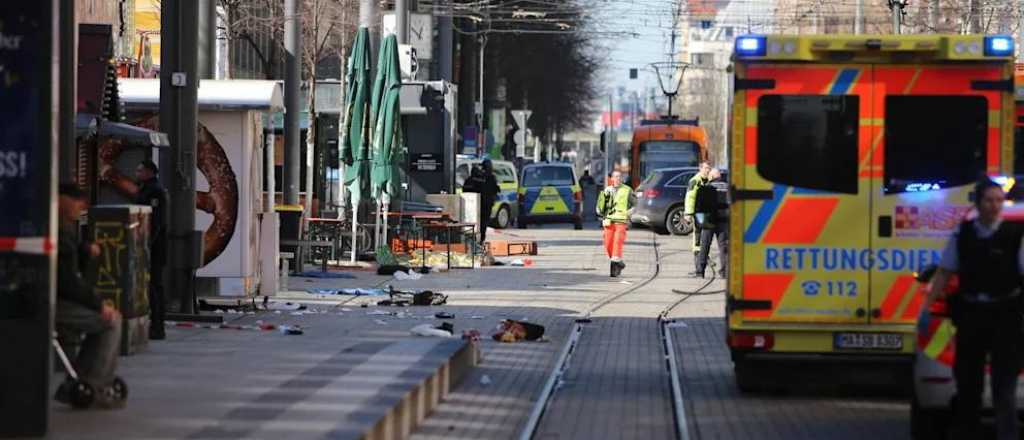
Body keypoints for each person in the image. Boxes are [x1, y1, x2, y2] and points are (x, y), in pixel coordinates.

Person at [926, 178, 1024, 440]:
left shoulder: (1016, 235)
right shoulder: (963, 233)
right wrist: (927, 305)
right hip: (972, 315)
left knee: (1005, 387)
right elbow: (945, 271)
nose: (994, 206)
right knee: (969, 386)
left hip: (1006, 315)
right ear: (978, 203)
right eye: (989, 200)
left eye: (998, 201)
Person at [54, 184, 125, 409]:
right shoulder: (55, 227)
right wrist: (97, 304)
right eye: (76, 200)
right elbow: (67, 282)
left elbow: (69, 253)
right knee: (110, 322)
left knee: (107, 320)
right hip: (53, 302)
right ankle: (95, 383)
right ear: (61, 199)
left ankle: (83, 376)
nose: (81, 207)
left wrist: (84, 249)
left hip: (52, 297)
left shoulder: (60, 227)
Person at [134, 160, 168, 340]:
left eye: (139, 170)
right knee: (151, 286)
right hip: (149, 245)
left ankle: (157, 326)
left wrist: (147, 243)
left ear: (149, 172)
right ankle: (153, 325)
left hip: (154, 247)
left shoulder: (155, 191)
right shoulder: (146, 188)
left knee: (155, 287)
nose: (137, 173)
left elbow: (156, 222)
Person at [596, 171, 635, 277]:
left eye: (619, 177)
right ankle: (619, 263)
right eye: (615, 177)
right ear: (611, 179)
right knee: (608, 244)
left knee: (617, 243)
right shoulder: (607, 190)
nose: (617, 179)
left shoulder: (627, 190)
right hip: (608, 221)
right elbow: (600, 204)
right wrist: (599, 211)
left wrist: (628, 213)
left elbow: (635, 204)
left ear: (621, 179)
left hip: (621, 221)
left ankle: (615, 269)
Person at [694, 169, 728, 279]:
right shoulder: (728, 187)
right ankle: (724, 271)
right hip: (724, 220)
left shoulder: (705, 188)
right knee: (723, 247)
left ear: (711, 176)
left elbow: (698, 207)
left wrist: (699, 224)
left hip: (708, 220)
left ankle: (700, 271)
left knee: (704, 246)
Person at [684, 161, 713, 277]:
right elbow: (690, 198)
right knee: (698, 239)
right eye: (706, 168)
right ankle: (698, 268)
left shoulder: (707, 181)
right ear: (700, 168)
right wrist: (688, 213)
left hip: (706, 213)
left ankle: (702, 263)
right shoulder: (695, 181)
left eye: (709, 168)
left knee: (704, 239)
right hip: (698, 214)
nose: (707, 170)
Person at [463, 159, 501, 243]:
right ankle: (480, 240)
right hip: (485, 205)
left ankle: (476, 240)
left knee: (475, 224)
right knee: (483, 224)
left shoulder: (473, 179)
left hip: (475, 206)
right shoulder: (489, 178)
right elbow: (495, 190)